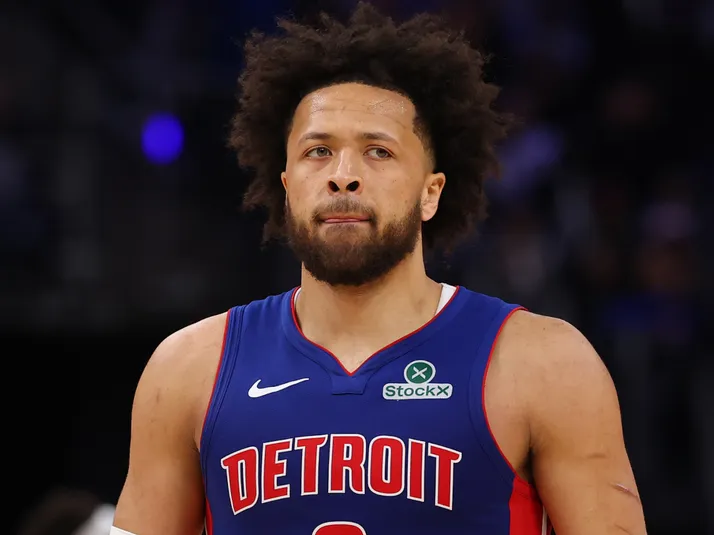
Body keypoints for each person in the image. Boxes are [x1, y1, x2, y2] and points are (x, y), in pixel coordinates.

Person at [112, 3, 648, 534]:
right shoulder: (188, 369)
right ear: (287, 187)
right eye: (318, 151)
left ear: (430, 193)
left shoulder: (545, 364)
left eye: (378, 152)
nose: (343, 175)